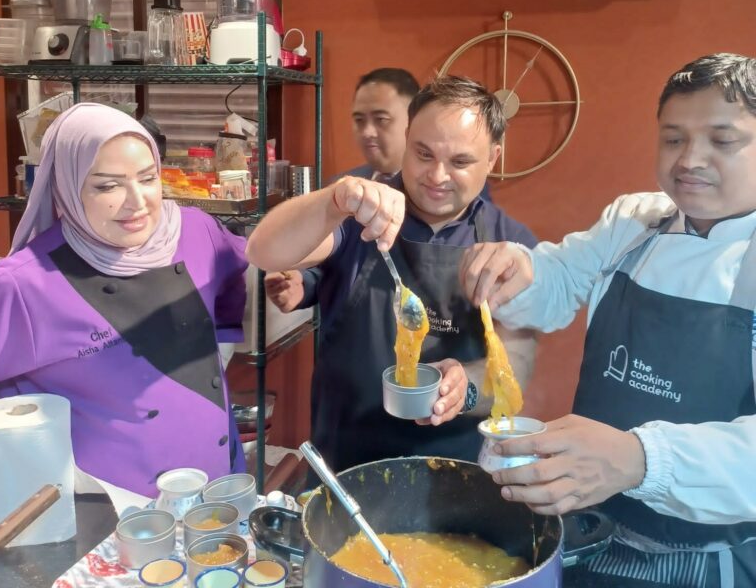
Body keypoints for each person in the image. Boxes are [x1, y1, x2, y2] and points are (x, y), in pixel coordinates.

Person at [459, 53, 756, 586]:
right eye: (673, 138)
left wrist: (640, 458)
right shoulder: (635, 222)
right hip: (590, 526)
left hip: (707, 558)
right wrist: (518, 270)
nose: (690, 159)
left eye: (723, 140)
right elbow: (555, 283)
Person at [247, 76, 538, 473]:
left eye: (460, 162)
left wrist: (465, 389)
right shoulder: (359, 212)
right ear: (407, 138)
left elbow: (517, 364)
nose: (437, 176)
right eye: (423, 153)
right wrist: (333, 200)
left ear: (492, 158)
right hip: (346, 456)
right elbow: (263, 251)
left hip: (454, 470)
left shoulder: (510, 244)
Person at [0, 103, 249, 497]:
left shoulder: (196, 231)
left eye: (148, 178)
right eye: (108, 186)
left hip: (217, 485)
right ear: (66, 187)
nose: (137, 201)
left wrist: (220, 346)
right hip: (112, 510)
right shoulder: (24, 285)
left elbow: (230, 280)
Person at [265, 67, 419, 315]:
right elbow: (334, 266)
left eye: (381, 119)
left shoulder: (435, 196)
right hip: (344, 337)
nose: (367, 132)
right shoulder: (341, 189)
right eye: (359, 120)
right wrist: (303, 284)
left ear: (414, 121)